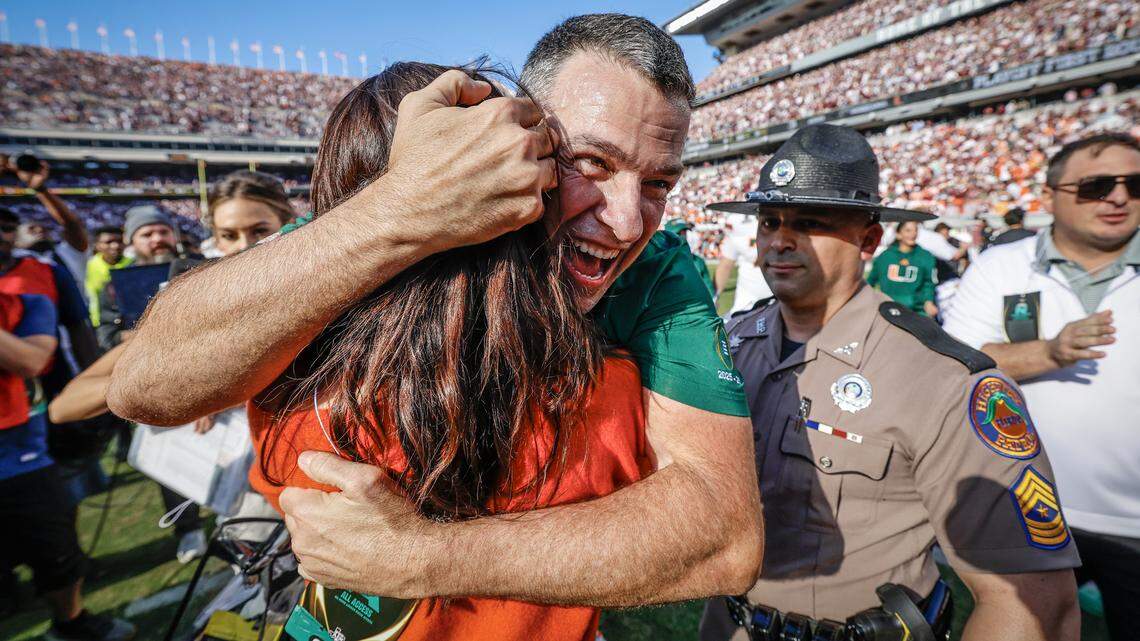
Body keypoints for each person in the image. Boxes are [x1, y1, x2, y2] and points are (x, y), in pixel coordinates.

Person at [109, 14, 762, 609]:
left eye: (657, 185)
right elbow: (144, 384)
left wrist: (424, 555)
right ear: (512, 136)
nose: (625, 223)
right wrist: (400, 210)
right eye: (590, 162)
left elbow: (725, 534)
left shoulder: (661, 268)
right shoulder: (399, 208)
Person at [700, 124, 1080, 641]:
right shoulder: (731, 343)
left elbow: (1032, 600)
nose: (780, 240)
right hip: (728, 623)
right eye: (769, 221)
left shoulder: (942, 379)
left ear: (870, 239)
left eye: (809, 222)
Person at [943, 132, 1140, 641]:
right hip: (1030, 509)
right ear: (1050, 195)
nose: (1119, 197)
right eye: (1097, 186)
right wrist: (1047, 352)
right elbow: (951, 366)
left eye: (1134, 184)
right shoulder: (1000, 265)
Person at [0, 291, 135, 641]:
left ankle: (71, 622)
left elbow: (30, 361)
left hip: (19, 457)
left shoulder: (28, 303)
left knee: (57, 552)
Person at [96, 205, 179, 352]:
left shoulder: (201, 269)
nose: (158, 238)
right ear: (131, 242)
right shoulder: (115, 286)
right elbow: (107, 337)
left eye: (164, 232)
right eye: (147, 235)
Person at [5, 156, 90, 291]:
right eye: (31, 229)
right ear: (15, 240)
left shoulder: (67, 254)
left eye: (44, 229)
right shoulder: (9, 262)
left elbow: (71, 224)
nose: (40, 230)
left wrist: (40, 189)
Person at [867, 220, 939, 316]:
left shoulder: (925, 256)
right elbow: (871, 281)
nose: (913, 234)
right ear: (898, 234)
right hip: (888, 309)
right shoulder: (885, 256)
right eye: (908, 230)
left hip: (915, 312)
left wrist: (928, 302)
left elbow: (929, 283)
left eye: (915, 230)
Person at [716, 214, 774, 316]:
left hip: (782, 302)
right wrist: (715, 297)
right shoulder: (737, 221)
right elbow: (726, 264)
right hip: (746, 303)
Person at [85, 226, 131, 326]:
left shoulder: (133, 264)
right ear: (97, 245)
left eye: (119, 241)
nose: (115, 245)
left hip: (128, 320)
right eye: (108, 242)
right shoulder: (91, 265)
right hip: (99, 322)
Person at [664, 217, 715, 296]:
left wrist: (713, 299)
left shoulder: (697, 261)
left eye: (684, 232)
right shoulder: (659, 262)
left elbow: (707, 285)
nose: (683, 236)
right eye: (678, 233)